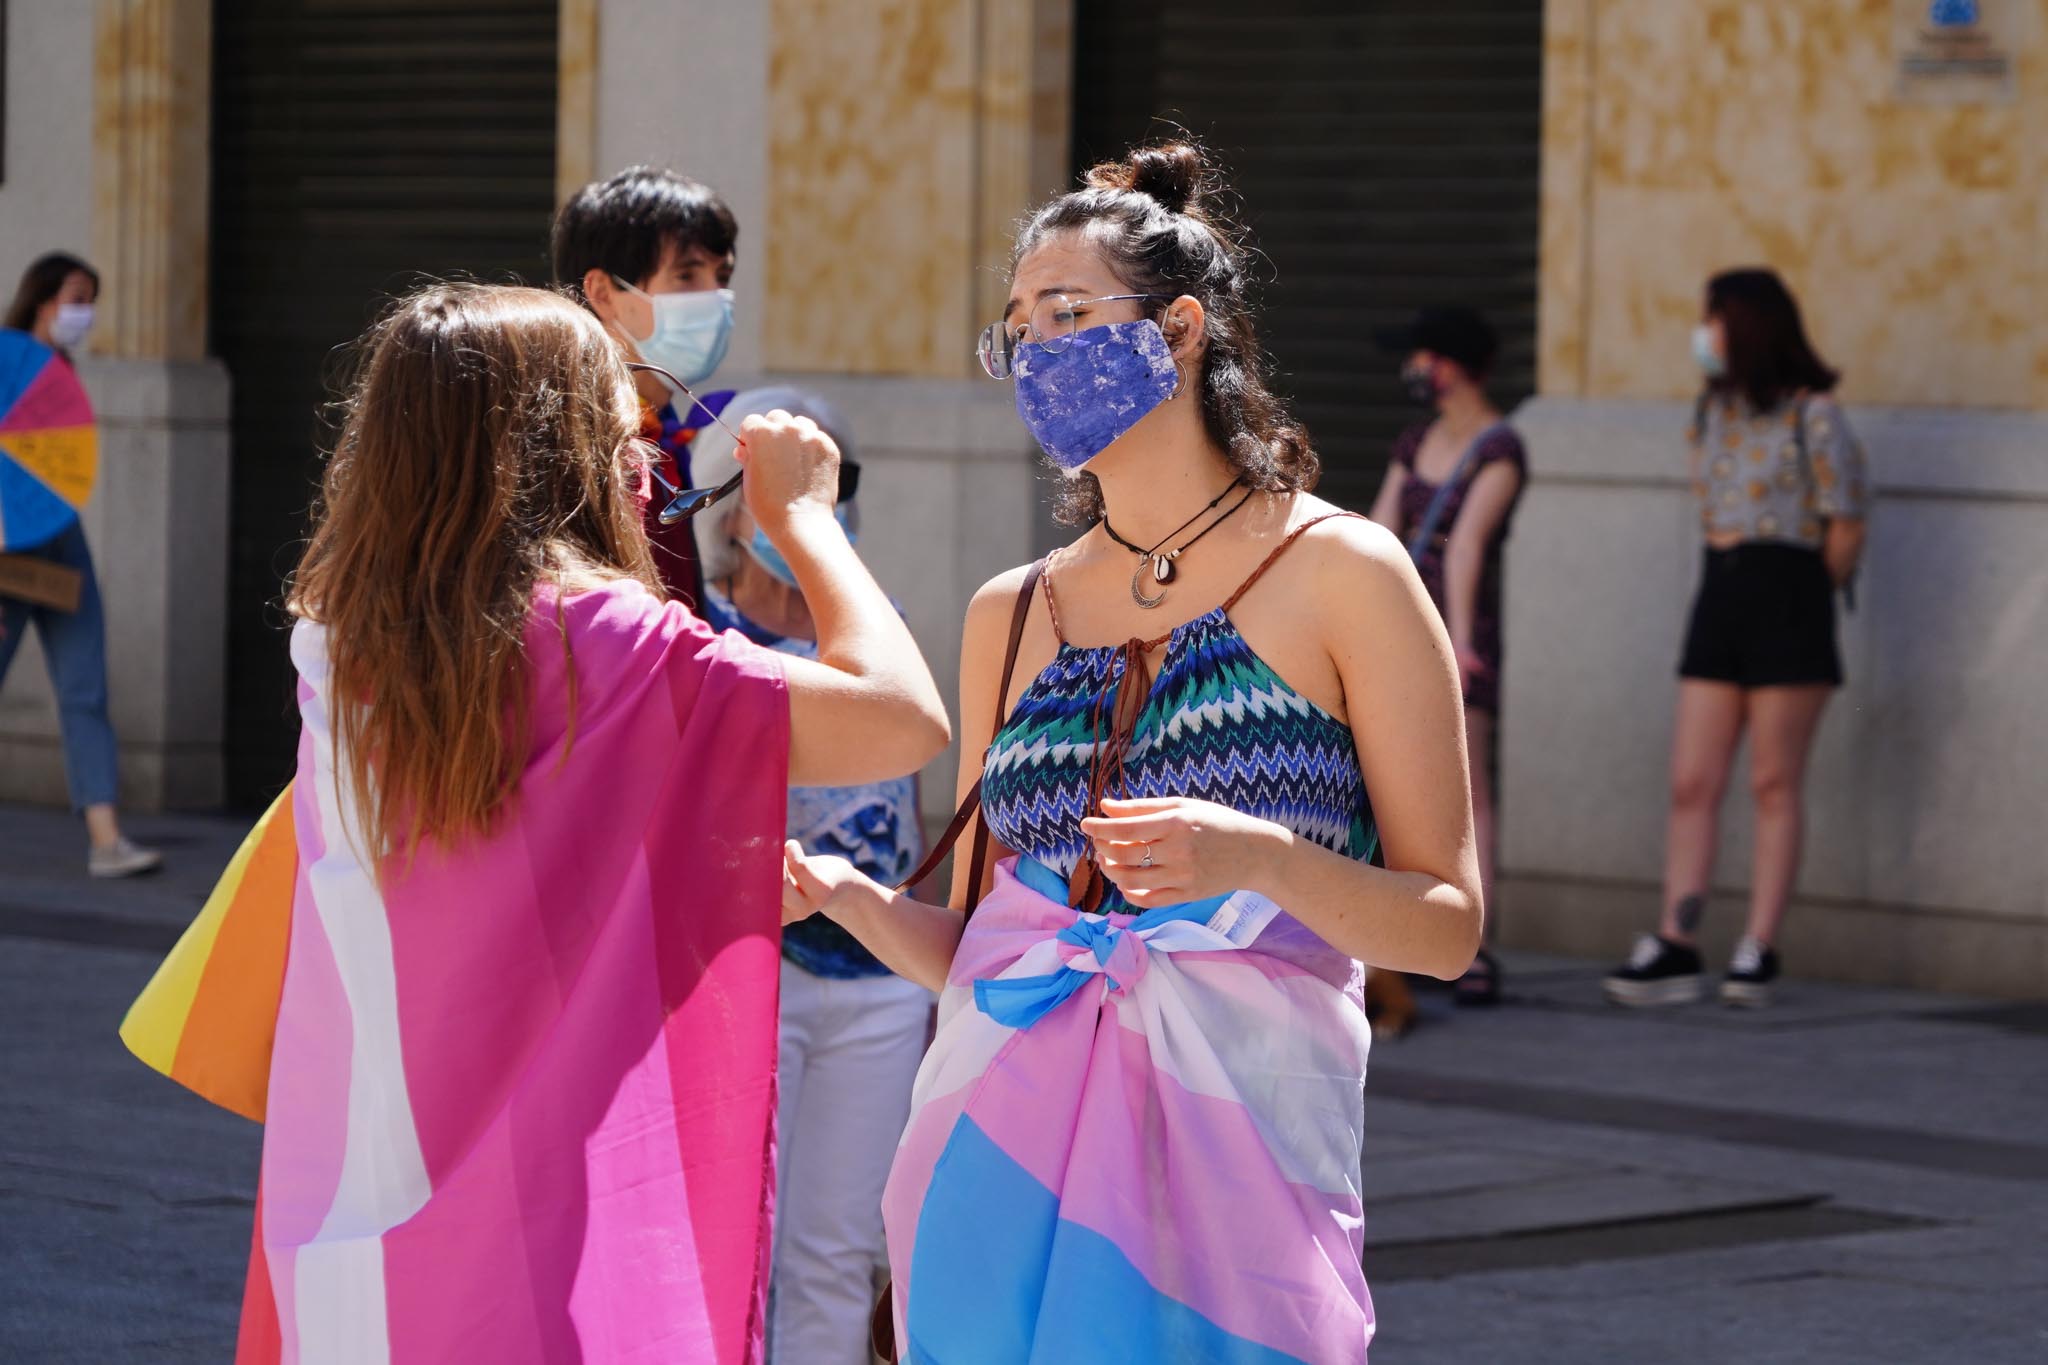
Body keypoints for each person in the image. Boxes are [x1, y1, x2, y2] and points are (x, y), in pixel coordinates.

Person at [779, 142, 1482, 1363]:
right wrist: (852, 905)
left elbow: (1444, 923)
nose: (1037, 354)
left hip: (1241, 1190)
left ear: (1179, 330)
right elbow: (983, 955)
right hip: (989, 1177)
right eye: (1016, 329)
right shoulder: (1011, 610)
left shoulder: (1342, 573)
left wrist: (1257, 857)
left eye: (1066, 314)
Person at [248, 283, 947, 1363]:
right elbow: (901, 720)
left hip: (352, 1211)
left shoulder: (340, 641)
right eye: (622, 438)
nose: (645, 470)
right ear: (559, 452)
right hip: (536, 1234)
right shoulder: (598, 641)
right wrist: (804, 519)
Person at [688, 387, 933, 1364]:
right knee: (733, 1246)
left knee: (837, 1248)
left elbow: (911, 808)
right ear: (724, 503)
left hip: (874, 980)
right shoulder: (694, 633)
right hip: (752, 976)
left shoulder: (879, 632)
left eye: (827, 477)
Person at [1604, 267, 1868, 1009]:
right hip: (1720, 590)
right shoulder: (1711, 409)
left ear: (1746, 326)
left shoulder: (1812, 414)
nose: (1703, 334)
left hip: (1790, 594)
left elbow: (1846, 523)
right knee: (1693, 778)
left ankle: (1759, 946)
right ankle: (1677, 938)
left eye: (1712, 319)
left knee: (1773, 780)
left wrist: (1805, 595)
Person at [1369, 306, 1527, 1009]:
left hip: (1459, 633)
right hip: (1402, 626)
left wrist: (1458, 642)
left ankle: (1474, 939)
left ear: (1452, 365)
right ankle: (1406, 934)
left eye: (1422, 356)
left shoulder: (1500, 447)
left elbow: (1466, 548)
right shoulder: (1415, 439)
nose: (1413, 371)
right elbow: (1379, 530)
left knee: (1470, 790)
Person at [0, 251, 162, 877]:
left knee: (84, 690)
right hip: (8, 553)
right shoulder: (11, 360)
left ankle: (106, 841)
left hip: (60, 542)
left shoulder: (59, 370)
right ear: (41, 297)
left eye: (91, 298)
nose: (85, 311)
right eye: (75, 296)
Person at [552, 165, 741, 603]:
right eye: (686, 276)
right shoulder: (580, 446)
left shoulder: (662, 422)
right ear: (601, 292)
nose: (714, 297)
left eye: (723, 278)